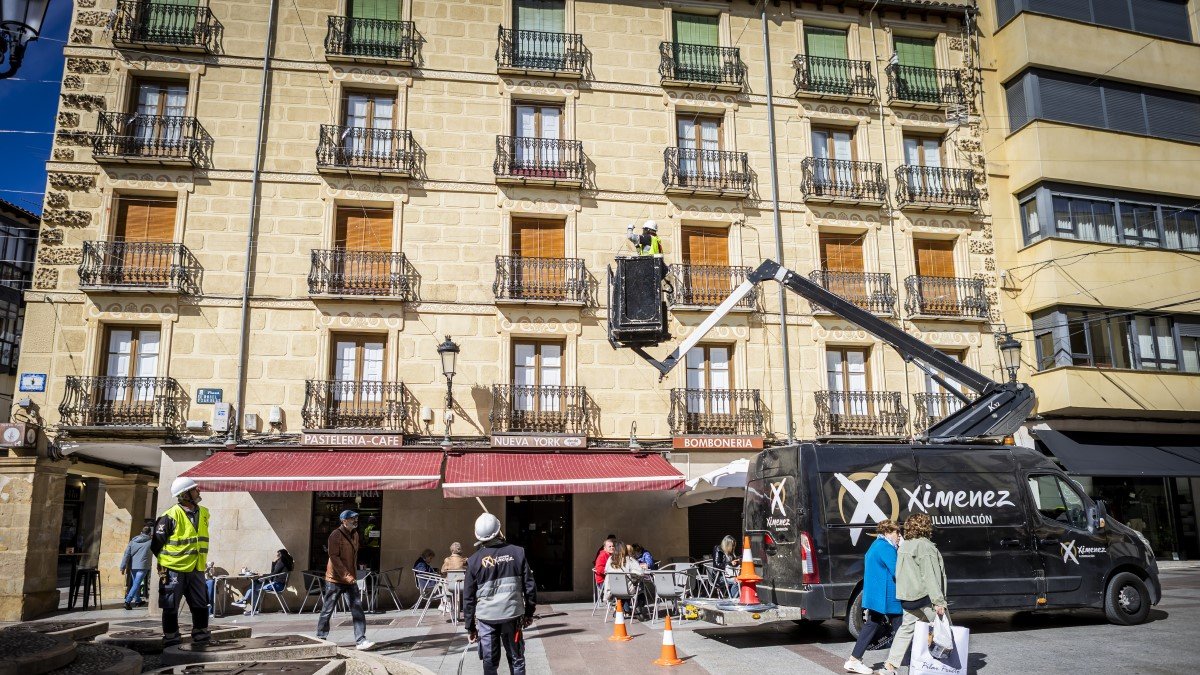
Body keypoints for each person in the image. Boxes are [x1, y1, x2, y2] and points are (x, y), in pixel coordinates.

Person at [465, 513, 536, 675]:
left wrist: (470, 628)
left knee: (490, 662)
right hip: (513, 615)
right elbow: (530, 586)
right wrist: (529, 613)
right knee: (516, 658)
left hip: (486, 619)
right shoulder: (518, 553)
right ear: (499, 530)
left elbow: (468, 598)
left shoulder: (474, 560)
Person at [878, 513, 947, 675]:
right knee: (943, 631)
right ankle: (949, 666)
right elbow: (930, 575)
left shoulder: (905, 546)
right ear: (926, 527)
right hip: (926, 598)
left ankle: (890, 666)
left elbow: (900, 573)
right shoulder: (925, 547)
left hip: (908, 598)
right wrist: (938, 601)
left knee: (905, 630)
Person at [151, 477, 211, 647]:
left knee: (200, 603)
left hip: (196, 567)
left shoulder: (204, 513)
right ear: (185, 494)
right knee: (170, 606)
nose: (198, 491)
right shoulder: (169, 516)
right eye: (195, 489)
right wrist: (166, 563)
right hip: (173, 569)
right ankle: (171, 637)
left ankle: (201, 634)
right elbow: (156, 544)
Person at [844, 520, 903, 675]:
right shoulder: (886, 548)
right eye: (897, 532)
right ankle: (893, 665)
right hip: (887, 596)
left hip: (877, 595)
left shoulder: (876, 545)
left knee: (872, 625)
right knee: (902, 629)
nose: (899, 536)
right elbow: (898, 571)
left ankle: (854, 660)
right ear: (888, 532)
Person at [315, 510, 374, 651]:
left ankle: (361, 640)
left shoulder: (355, 535)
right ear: (344, 521)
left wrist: (352, 575)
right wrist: (346, 575)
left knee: (357, 609)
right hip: (335, 579)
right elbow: (334, 557)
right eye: (352, 518)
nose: (356, 520)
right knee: (327, 609)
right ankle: (321, 637)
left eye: (356, 518)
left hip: (350, 579)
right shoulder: (335, 535)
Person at [233, 549, 294, 615]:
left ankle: (248, 604)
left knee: (254, 586)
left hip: (277, 585)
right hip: (278, 584)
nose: (276, 555)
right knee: (255, 583)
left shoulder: (282, 562)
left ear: (280, 555)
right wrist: (274, 562)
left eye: (277, 554)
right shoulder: (285, 562)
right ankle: (249, 605)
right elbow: (274, 572)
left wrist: (263, 576)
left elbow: (274, 573)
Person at [119, 525, 153, 610]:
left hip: (133, 566)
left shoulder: (132, 541)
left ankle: (138, 600)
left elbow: (126, 555)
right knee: (136, 584)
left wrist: (122, 566)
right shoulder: (151, 542)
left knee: (135, 583)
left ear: (141, 532)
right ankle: (127, 601)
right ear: (150, 533)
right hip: (143, 566)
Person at [603, 539, 644, 603]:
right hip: (627, 590)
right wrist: (632, 572)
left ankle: (624, 609)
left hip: (612, 590)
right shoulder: (629, 560)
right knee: (640, 587)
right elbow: (641, 573)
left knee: (624, 586)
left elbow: (606, 571)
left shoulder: (610, 559)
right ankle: (633, 608)